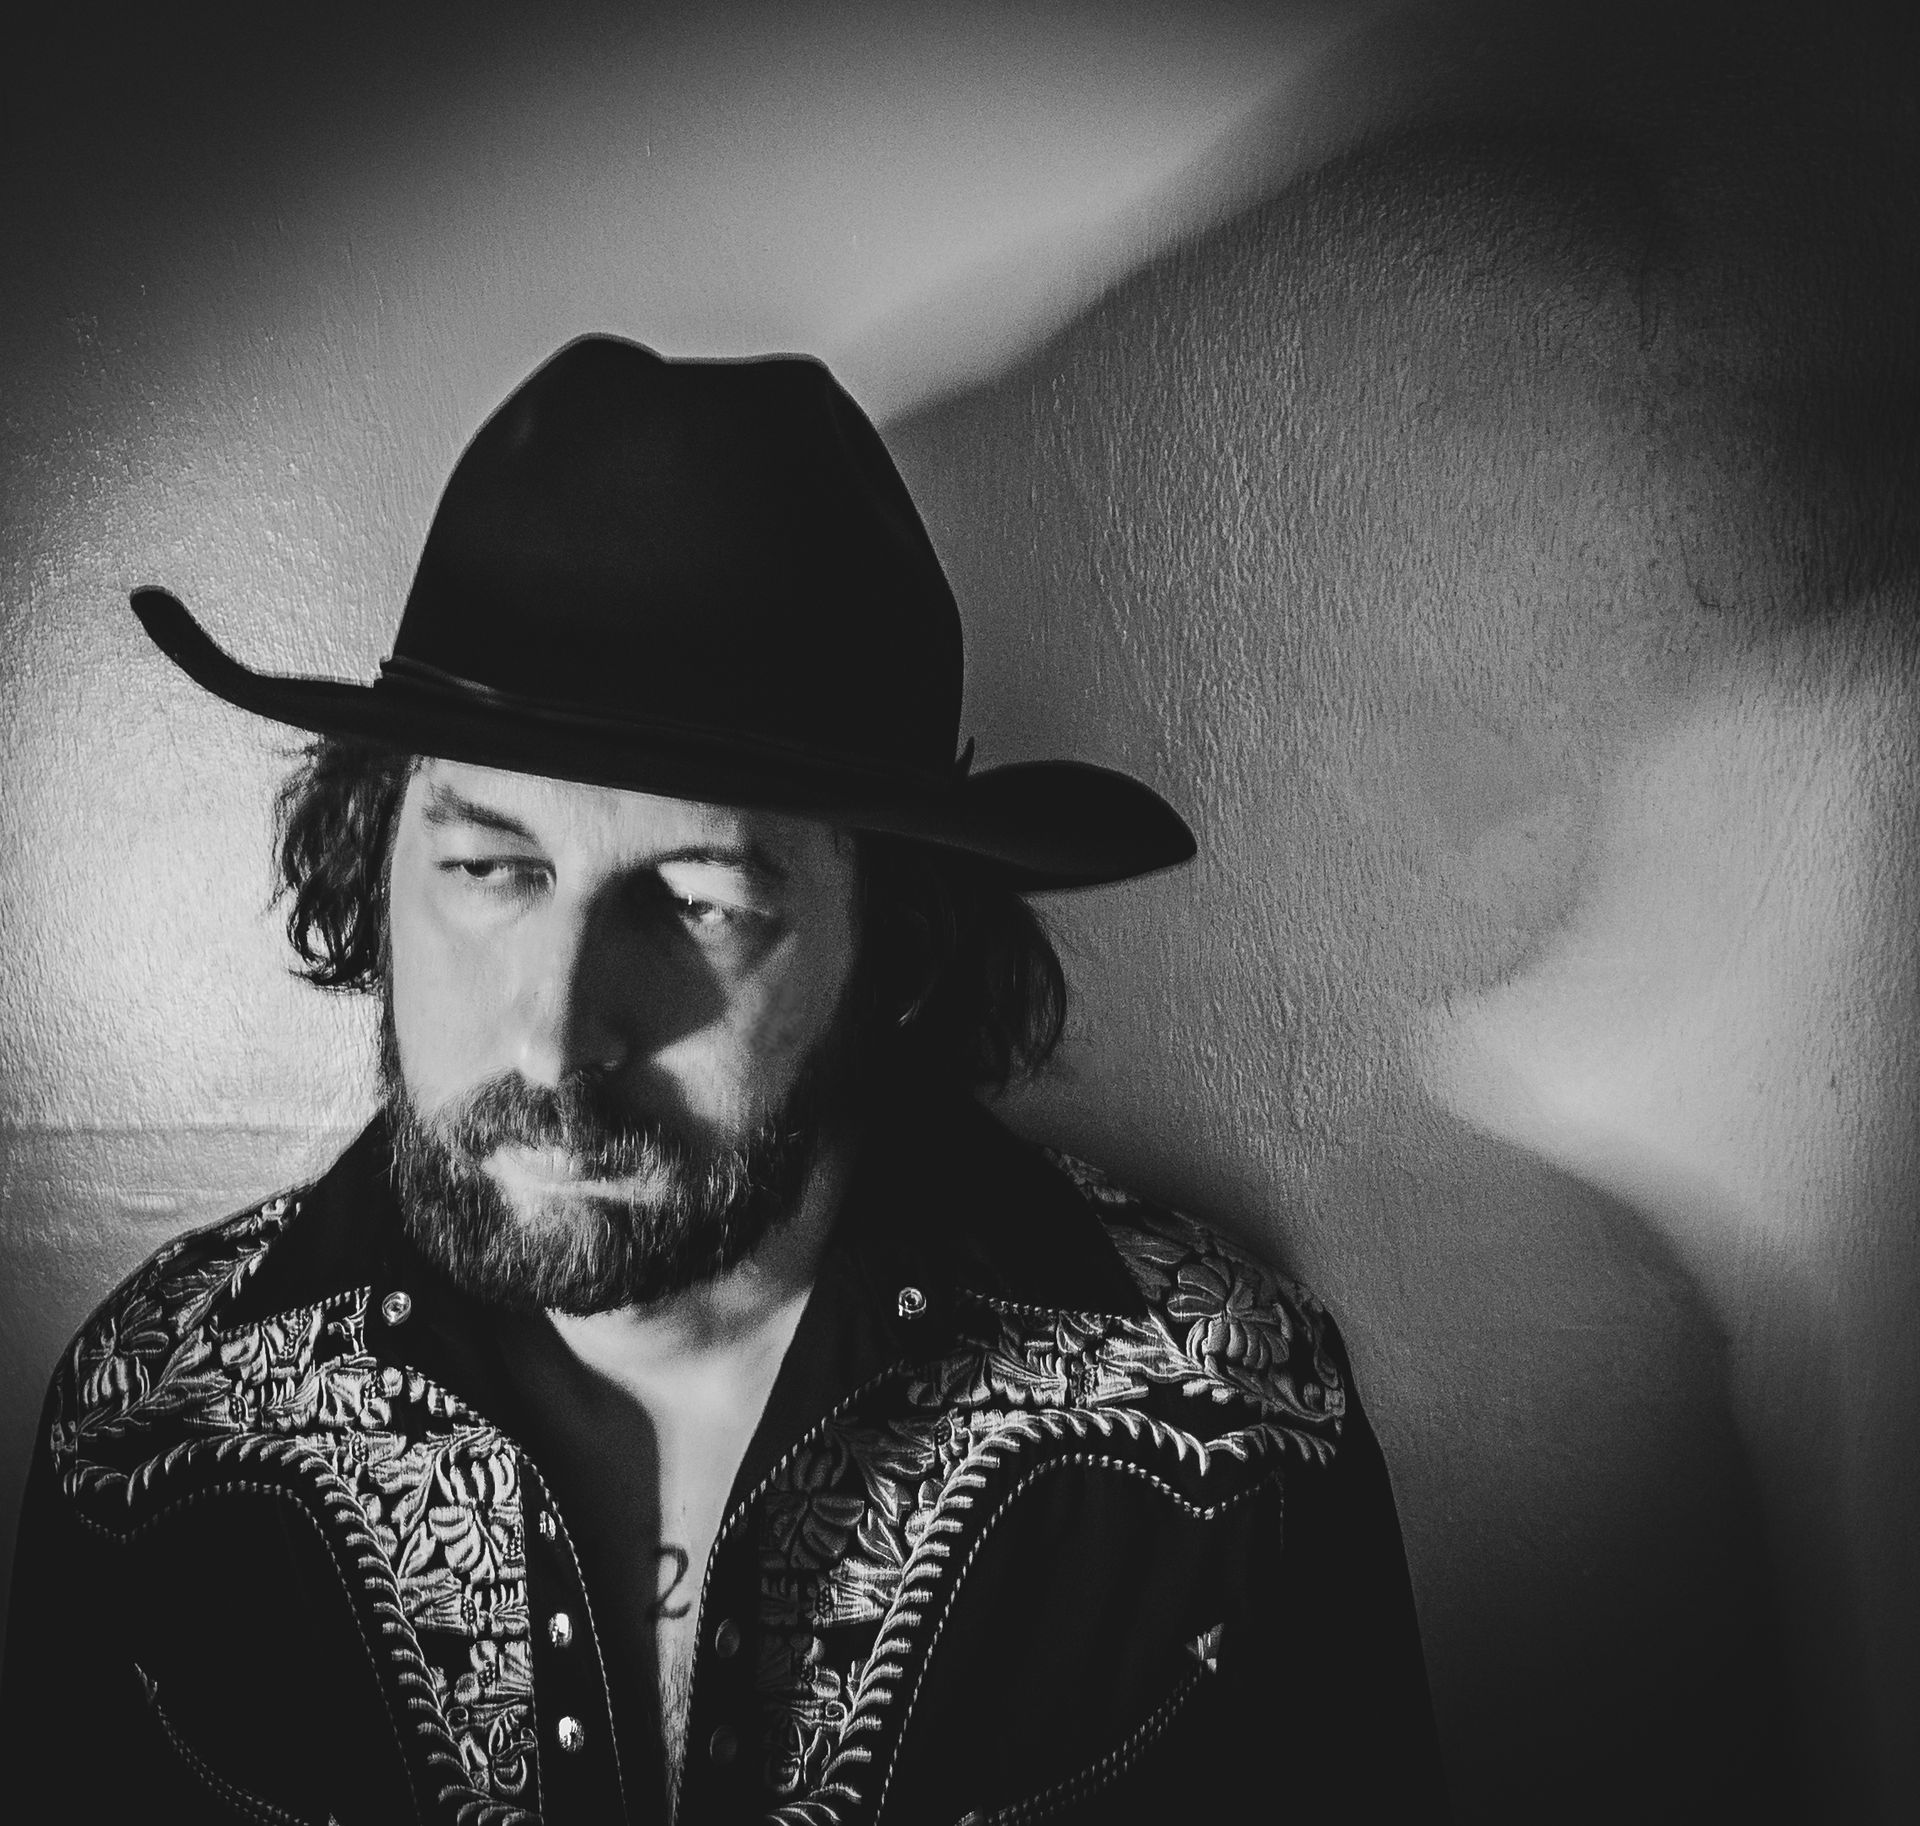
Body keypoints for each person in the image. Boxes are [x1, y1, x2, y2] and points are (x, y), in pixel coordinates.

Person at [0, 336, 1445, 1822]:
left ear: (898, 946)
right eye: (489, 869)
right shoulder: (155, 1424)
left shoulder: (1224, 1429)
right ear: (375, 866)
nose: (555, 1038)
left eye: (698, 903)